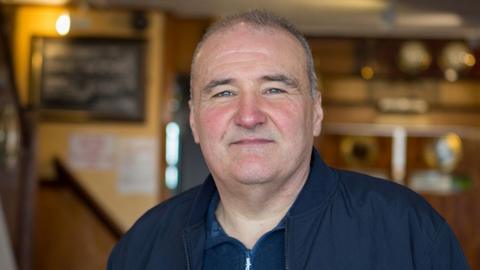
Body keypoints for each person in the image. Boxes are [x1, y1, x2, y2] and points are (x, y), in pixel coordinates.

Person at [107, 10, 470, 270]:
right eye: (223, 93)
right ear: (194, 121)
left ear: (315, 112)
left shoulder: (407, 232)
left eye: (275, 89)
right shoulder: (142, 246)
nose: (249, 115)